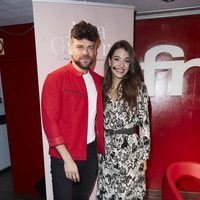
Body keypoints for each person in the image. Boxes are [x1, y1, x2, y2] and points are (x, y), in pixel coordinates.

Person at [41, 20, 104, 200]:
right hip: (64, 157)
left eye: (90, 47)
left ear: (95, 50)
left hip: (90, 155)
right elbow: (50, 121)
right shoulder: (55, 78)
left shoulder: (99, 81)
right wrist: (67, 159)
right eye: (79, 46)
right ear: (70, 48)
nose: (85, 52)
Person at [96, 40, 151, 199]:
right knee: (108, 193)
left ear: (130, 64)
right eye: (117, 59)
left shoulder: (139, 87)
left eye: (126, 60)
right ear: (109, 61)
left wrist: (144, 157)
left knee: (129, 193)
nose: (121, 65)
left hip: (131, 152)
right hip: (107, 151)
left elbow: (145, 125)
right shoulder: (101, 87)